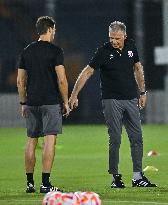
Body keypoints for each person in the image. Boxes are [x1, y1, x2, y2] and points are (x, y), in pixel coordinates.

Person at [69, 21, 157, 188]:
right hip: (111, 101)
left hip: (131, 98)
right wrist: (74, 94)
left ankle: (138, 177)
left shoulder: (131, 46)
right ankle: (115, 178)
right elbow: (87, 71)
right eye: (111, 38)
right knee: (115, 138)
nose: (114, 41)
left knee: (137, 137)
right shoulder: (103, 51)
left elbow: (138, 68)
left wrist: (142, 92)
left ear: (124, 36)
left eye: (117, 38)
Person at [17, 16, 70, 193]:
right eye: (53, 30)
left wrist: (23, 102)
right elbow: (62, 80)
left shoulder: (26, 51)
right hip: (50, 102)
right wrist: (65, 101)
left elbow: (20, 81)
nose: (54, 33)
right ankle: (45, 183)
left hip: (32, 102)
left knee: (31, 140)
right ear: (49, 30)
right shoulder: (55, 51)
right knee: (49, 141)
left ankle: (29, 183)